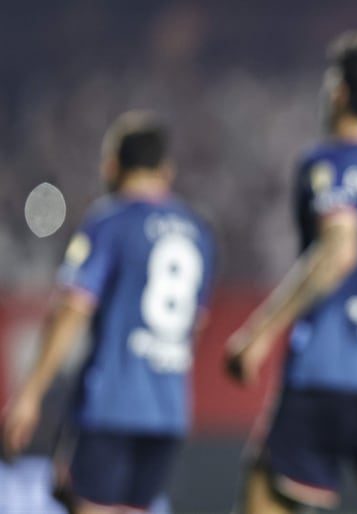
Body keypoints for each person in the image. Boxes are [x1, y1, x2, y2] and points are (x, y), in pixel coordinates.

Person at [225, 30, 357, 513]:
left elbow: (339, 249)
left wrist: (259, 333)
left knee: (266, 490)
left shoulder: (327, 163)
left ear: (339, 91)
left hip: (322, 373)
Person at [1, 110, 217, 514]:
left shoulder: (110, 221)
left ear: (112, 165)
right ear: (165, 170)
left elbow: (72, 307)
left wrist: (29, 393)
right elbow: (196, 322)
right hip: (168, 409)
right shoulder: (199, 233)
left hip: (112, 403)